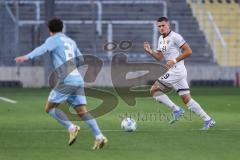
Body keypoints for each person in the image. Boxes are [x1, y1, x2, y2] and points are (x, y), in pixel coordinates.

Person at [15, 17, 107, 149]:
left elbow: (42, 49)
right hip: (77, 78)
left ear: (49, 30)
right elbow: (80, 59)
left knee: (49, 108)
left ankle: (71, 127)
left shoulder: (53, 40)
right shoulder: (71, 41)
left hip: (66, 80)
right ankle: (99, 136)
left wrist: (26, 57)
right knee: (82, 112)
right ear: (62, 28)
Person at [143, 17, 215, 130]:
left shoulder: (175, 36)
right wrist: (150, 51)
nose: (161, 28)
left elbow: (188, 51)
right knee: (186, 99)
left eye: (163, 25)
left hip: (177, 70)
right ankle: (208, 120)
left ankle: (176, 109)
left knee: (154, 89)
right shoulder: (160, 39)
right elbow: (159, 57)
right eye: (159, 26)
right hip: (174, 70)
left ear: (168, 25)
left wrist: (174, 60)